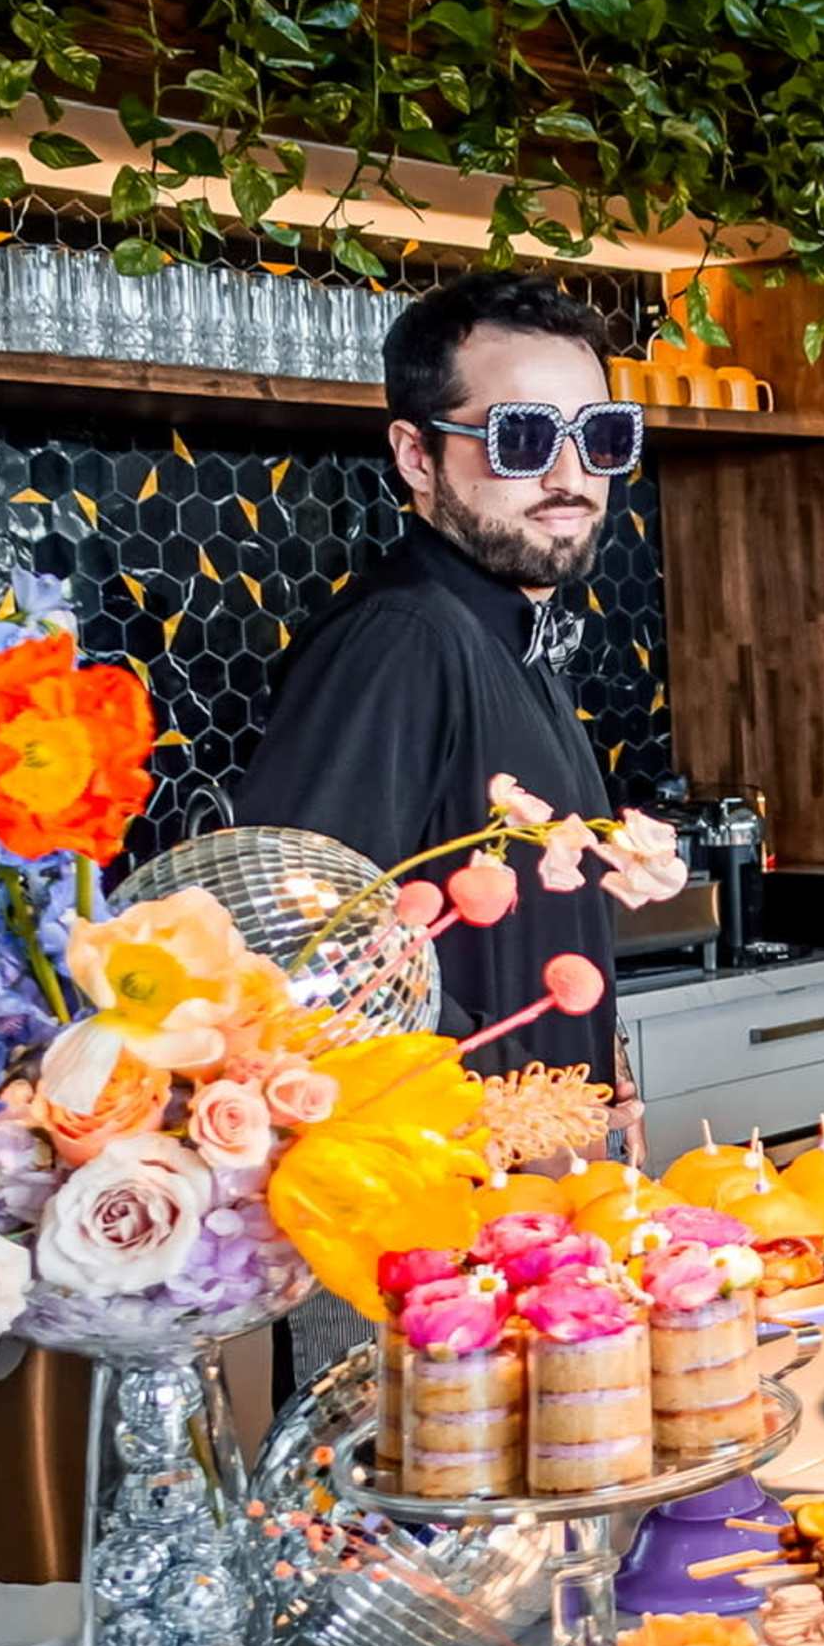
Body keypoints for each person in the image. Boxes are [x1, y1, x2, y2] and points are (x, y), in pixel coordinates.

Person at [236, 267, 637, 1104]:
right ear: (417, 455)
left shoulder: (508, 630)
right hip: (455, 1183)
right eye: (521, 438)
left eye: (602, 435)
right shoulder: (405, 638)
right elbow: (305, 949)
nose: (570, 476)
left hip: (541, 1180)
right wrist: (509, 1124)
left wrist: (606, 1078)